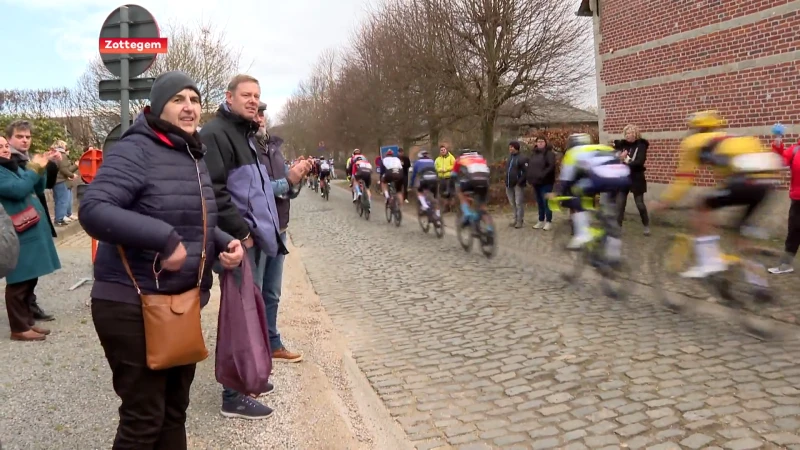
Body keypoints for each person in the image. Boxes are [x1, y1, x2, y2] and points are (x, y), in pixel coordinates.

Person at [79, 71, 245, 448]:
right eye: (178, 99)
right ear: (156, 107)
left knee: (174, 412)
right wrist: (164, 240)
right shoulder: (135, 149)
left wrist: (221, 242)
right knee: (144, 417)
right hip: (129, 303)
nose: (189, 107)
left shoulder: (190, 151)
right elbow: (93, 209)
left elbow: (188, 216)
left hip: (178, 305)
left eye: (195, 99)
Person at [201, 74, 285, 419]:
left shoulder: (245, 133)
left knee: (251, 313)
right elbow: (216, 191)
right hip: (237, 242)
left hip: (256, 239)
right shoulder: (215, 133)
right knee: (237, 316)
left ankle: (248, 376)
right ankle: (232, 395)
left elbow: (258, 190)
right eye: (246, 95)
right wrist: (241, 232)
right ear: (229, 97)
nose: (253, 100)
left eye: (257, 96)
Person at [650, 111, 784, 278]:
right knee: (740, 239)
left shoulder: (692, 142)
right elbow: (728, 176)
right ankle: (760, 285)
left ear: (696, 129)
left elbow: (683, 180)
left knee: (701, 206)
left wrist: (665, 202)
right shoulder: (731, 139)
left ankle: (709, 261)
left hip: (744, 182)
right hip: (768, 185)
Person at [254, 101, 307, 363]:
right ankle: (256, 348)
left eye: (263, 113)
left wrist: (296, 179)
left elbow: (288, 187)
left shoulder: (273, 148)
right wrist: (288, 180)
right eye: (255, 112)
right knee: (256, 291)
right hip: (259, 231)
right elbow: (257, 189)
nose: (260, 117)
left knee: (272, 292)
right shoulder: (245, 148)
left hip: (280, 229)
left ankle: (273, 342)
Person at [0, 136, 61, 341]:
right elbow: (18, 190)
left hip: (28, 227)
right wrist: (33, 168)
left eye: (4, 146)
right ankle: (18, 328)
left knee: (30, 278)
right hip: (14, 231)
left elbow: (35, 187)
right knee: (19, 280)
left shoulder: (11, 167)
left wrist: (41, 168)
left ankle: (27, 322)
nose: (4, 149)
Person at [550, 133, 630, 261]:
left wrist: (557, 193)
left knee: (574, 193)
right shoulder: (602, 147)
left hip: (601, 178)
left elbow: (566, 179)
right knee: (608, 213)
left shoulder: (573, 153)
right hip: (623, 178)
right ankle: (613, 254)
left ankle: (583, 234)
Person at [768, 124, 800, 274]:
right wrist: (778, 140)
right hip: (797, 200)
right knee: (794, 232)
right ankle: (785, 265)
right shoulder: (795, 150)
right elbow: (779, 161)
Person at [613, 124, 650, 235]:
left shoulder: (641, 145)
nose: (628, 135)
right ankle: (618, 227)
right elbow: (614, 157)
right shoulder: (621, 145)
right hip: (623, 177)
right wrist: (619, 157)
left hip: (637, 177)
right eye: (627, 133)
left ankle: (646, 224)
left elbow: (639, 162)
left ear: (636, 134)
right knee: (620, 203)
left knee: (639, 204)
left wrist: (625, 160)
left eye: (631, 133)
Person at [453, 149, 492, 228]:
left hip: (472, 180)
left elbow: (453, 174)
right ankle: (489, 229)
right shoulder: (481, 158)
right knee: (482, 207)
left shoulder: (460, 159)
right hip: (485, 182)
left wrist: (455, 181)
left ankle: (467, 213)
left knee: (459, 191)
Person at [526, 137, 556, 231]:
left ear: (546, 143)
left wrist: (542, 175)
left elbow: (551, 166)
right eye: (538, 142)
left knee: (546, 202)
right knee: (539, 202)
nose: (540, 143)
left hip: (546, 182)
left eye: (542, 141)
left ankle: (548, 221)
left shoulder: (549, 154)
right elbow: (530, 167)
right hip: (536, 182)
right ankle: (541, 220)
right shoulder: (533, 154)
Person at [52, 140, 79, 227]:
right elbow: (64, 169)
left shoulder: (55, 155)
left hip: (58, 181)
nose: (66, 147)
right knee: (62, 201)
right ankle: (59, 219)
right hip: (60, 181)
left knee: (61, 200)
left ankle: (61, 217)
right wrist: (72, 175)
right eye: (65, 145)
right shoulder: (61, 155)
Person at [505, 141, 528, 228]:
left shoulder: (522, 158)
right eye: (509, 147)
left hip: (518, 184)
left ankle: (519, 220)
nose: (510, 148)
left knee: (518, 203)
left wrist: (520, 182)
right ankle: (514, 219)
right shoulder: (509, 158)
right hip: (508, 183)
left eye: (512, 147)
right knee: (512, 203)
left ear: (516, 148)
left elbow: (526, 172)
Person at [410, 149, 440, 218]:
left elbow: (414, 175)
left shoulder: (417, 162)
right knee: (435, 198)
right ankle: (438, 215)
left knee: (419, 191)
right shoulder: (432, 161)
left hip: (424, 179)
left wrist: (411, 184)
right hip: (434, 180)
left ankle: (424, 205)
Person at [435, 145, 456, 210]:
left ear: (446, 150)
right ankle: (446, 207)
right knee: (443, 193)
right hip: (441, 178)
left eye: (444, 150)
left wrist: (446, 169)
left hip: (449, 177)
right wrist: (440, 169)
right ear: (440, 151)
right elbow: (436, 167)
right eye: (441, 150)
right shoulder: (438, 159)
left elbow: (454, 166)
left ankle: (453, 207)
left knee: (450, 193)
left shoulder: (451, 157)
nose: (443, 151)